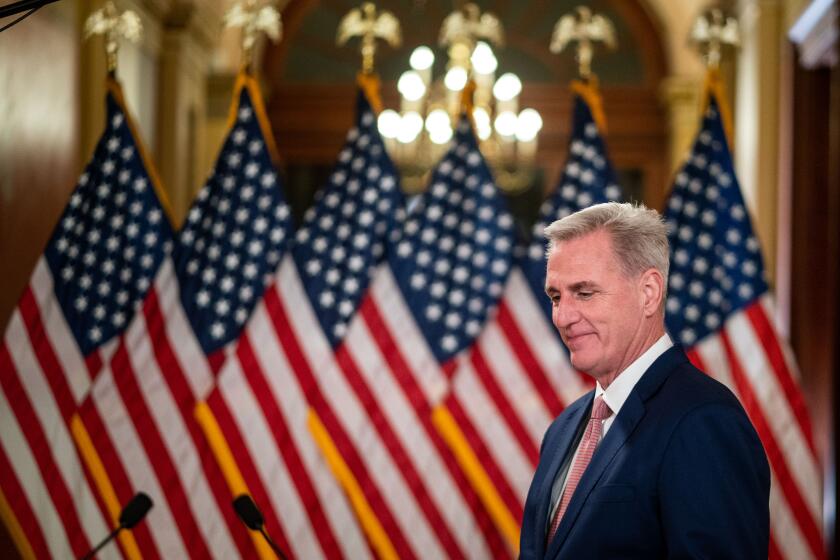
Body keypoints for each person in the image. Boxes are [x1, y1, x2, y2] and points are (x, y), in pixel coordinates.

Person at [520, 202, 769, 559]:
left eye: (585, 293)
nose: (563, 316)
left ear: (649, 292)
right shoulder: (562, 429)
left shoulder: (702, 420)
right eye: (556, 297)